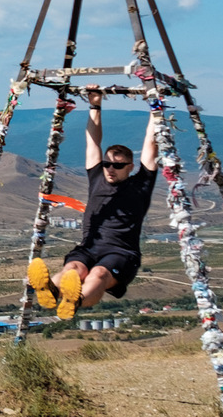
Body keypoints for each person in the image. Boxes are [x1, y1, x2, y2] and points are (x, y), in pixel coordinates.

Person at [27, 86, 161, 320]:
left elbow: (151, 143)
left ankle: (74, 301)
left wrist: (155, 110)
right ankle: (49, 290)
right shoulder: (97, 176)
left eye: (118, 166)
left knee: (98, 274)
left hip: (122, 251)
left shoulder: (141, 183)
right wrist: (95, 104)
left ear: (130, 167)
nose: (110, 169)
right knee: (72, 270)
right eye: (107, 164)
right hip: (89, 246)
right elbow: (93, 142)